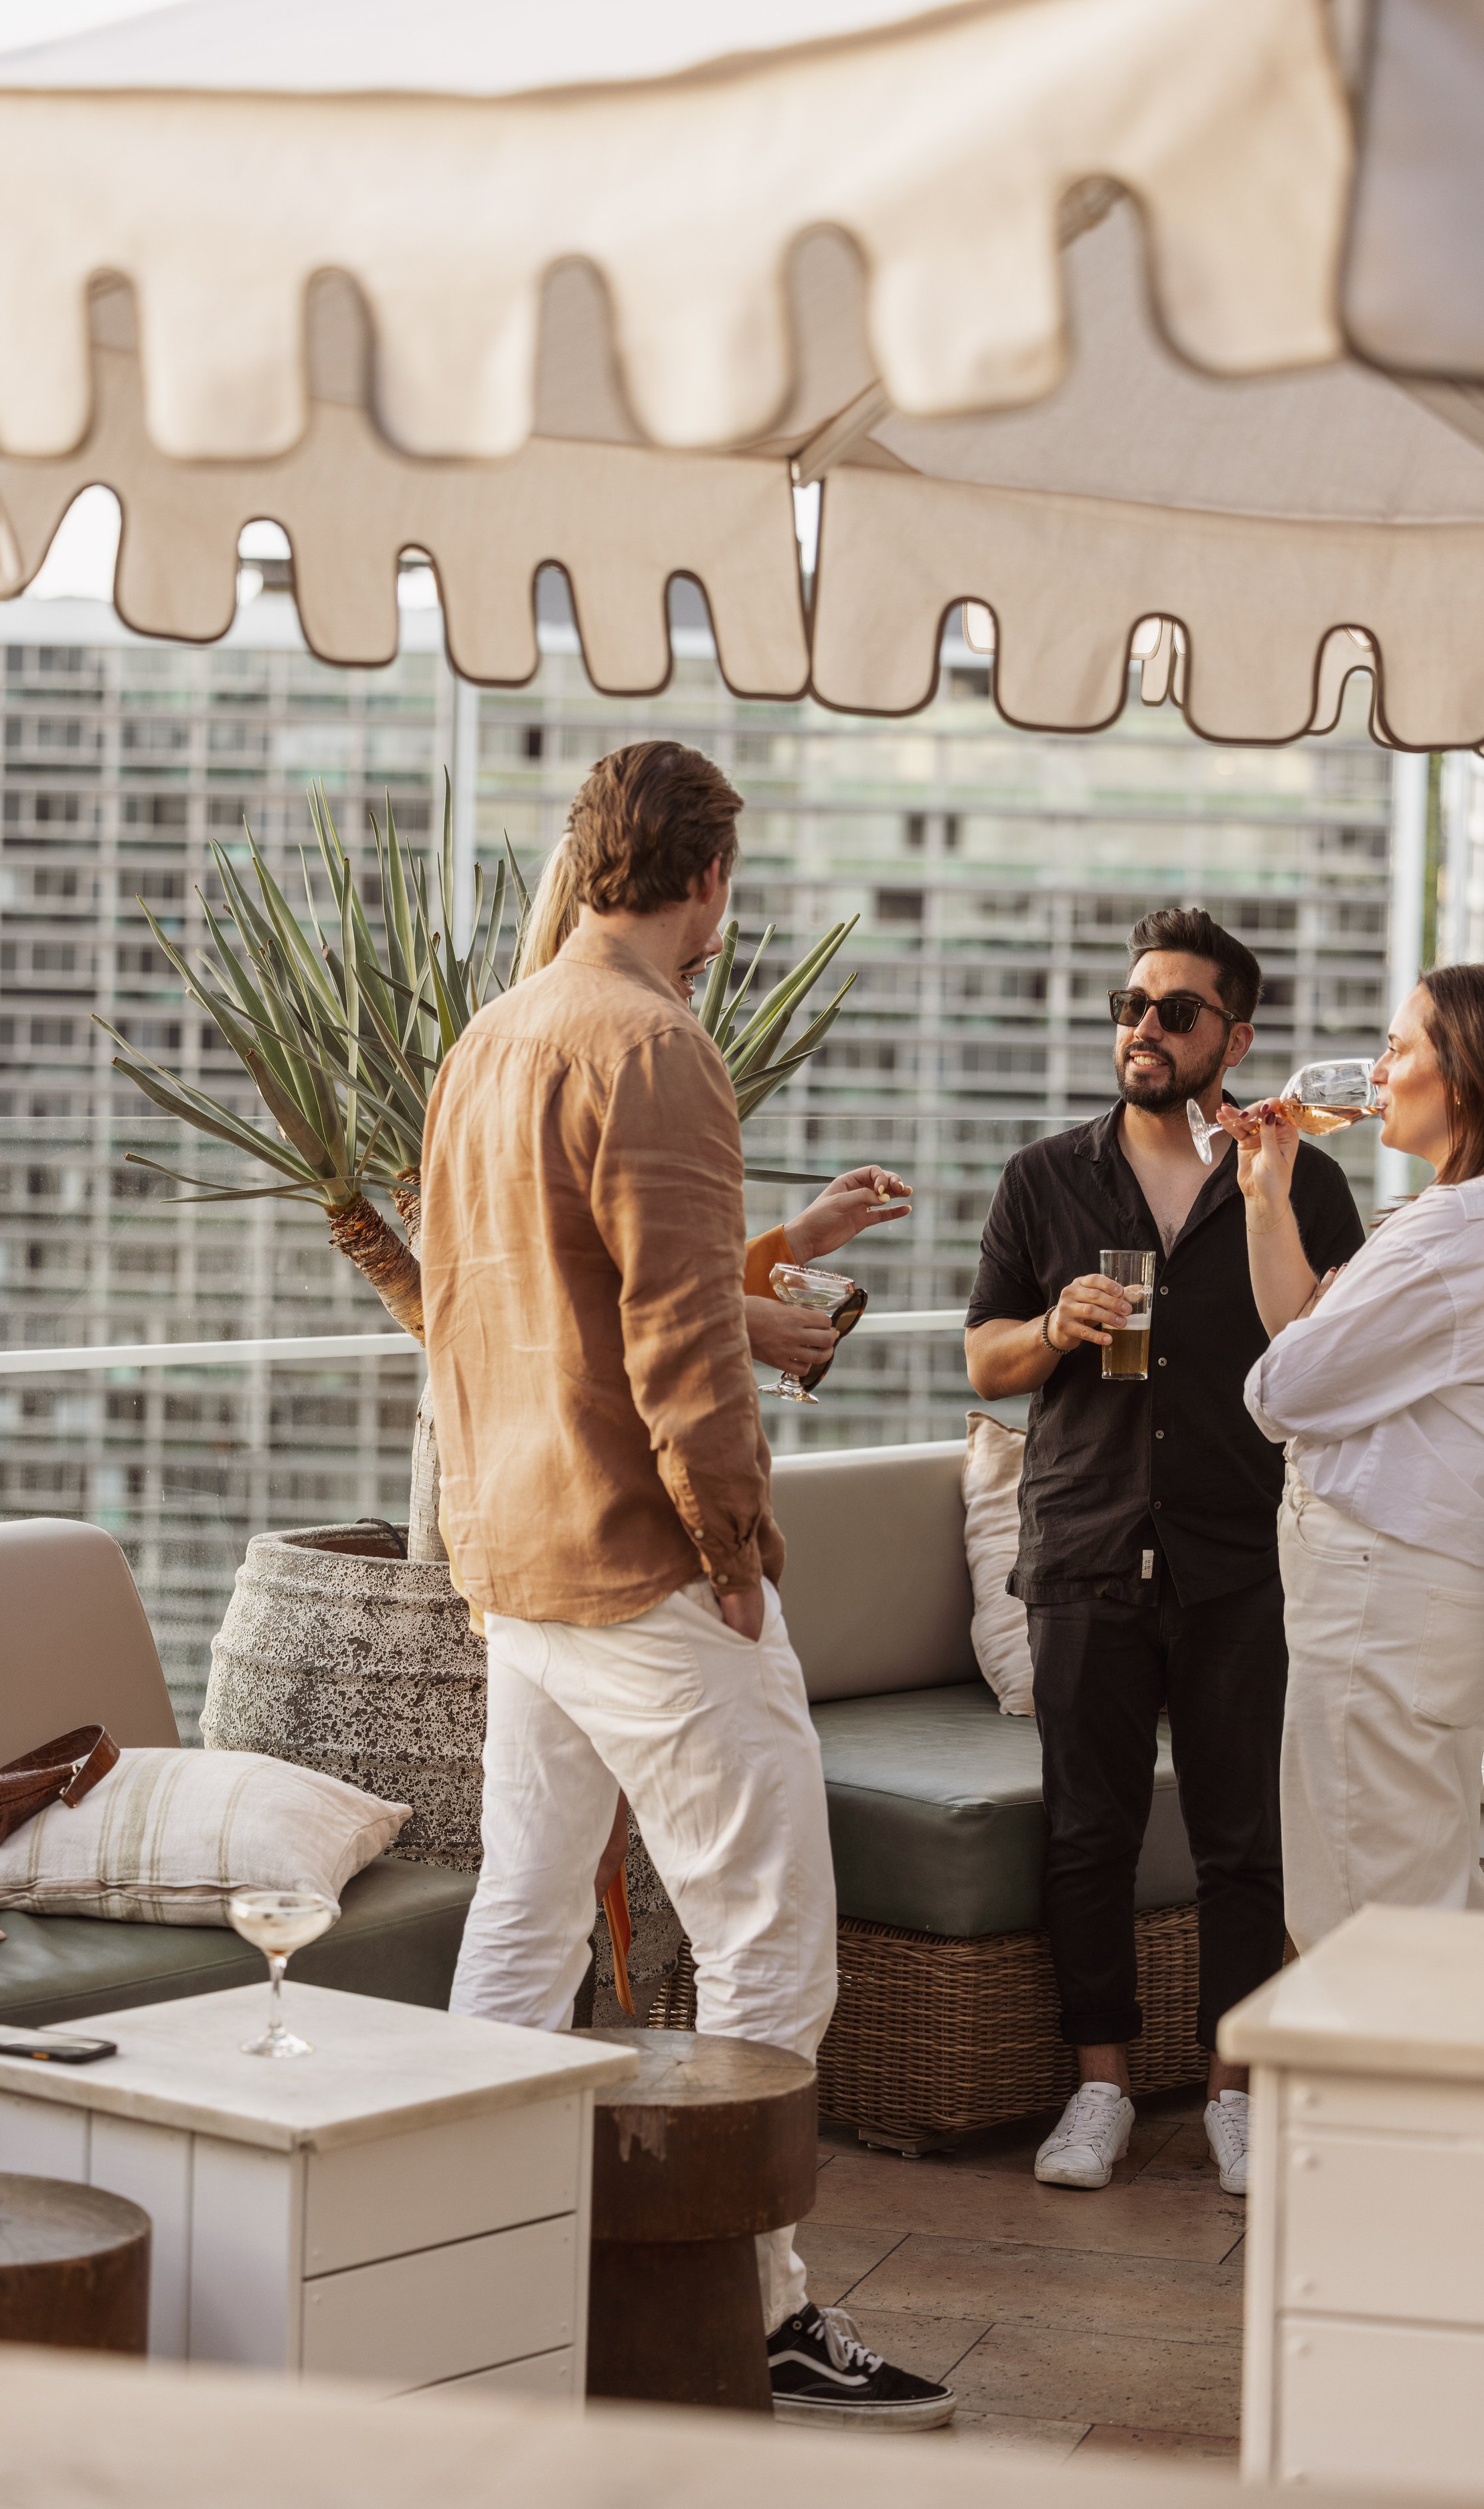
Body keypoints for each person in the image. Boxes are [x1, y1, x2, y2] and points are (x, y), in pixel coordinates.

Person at [421, 740, 953, 2429]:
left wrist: (759, 1286)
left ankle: (463, 2257)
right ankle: (749, 2303)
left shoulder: (488, 1041)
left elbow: (517, 1305)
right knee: (774, 1933)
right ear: (708, 877)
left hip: (516, 1558)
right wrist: (735, 1555)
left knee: (526, 1910)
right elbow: (671, 1354)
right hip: (646, 1573)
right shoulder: (656, 1043)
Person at [965, 907, 1364, 2197]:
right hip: (1082, 1543)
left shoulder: (1301, 1177)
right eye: (1132, 1004)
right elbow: (983, 1359)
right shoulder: (1043, 1178)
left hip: (1241, 1547)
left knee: (1243, 1836)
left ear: (1234, 1037)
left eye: (1176, 1011)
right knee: (1090, 1828)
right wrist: (1053, 1325)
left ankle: (1234, 2093)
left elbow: (1340, 1348)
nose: (1144, 1028)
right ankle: (1103, 2089)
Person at [1232, 963, 1484, 1951]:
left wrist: (1316, 1351)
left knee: (1367, 1923)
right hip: (1429, 1610)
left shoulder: (1450, 1238)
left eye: (1400, 1049)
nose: (1379, 1070)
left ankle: (1407, 2106)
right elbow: (1314, 1340)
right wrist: (1270, 1199)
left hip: (1383, 1610)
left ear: (1468, 1079)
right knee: (1416, 1891)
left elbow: (1279, 1390)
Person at [519, 831, 912, 1382]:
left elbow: (643, 1278)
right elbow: (548, 1298)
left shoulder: (528, 1050)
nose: (716, 946)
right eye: (695, 910)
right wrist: (736, 1325)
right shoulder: (614, 1067)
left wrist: (797, 1241)